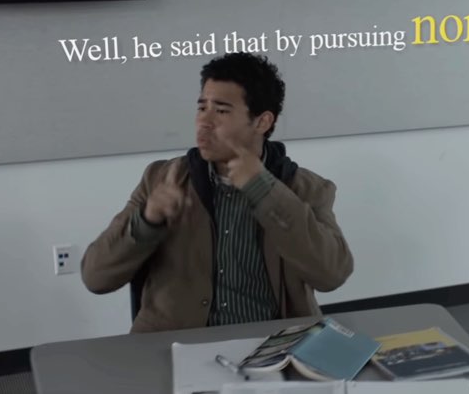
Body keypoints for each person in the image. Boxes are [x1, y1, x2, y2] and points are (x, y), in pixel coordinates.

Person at [81, 52, 354, 333]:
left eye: (221, 111)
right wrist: (148, 219)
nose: (204, 122)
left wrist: (265, 191)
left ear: (262, 122)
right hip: (176, 344)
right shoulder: (162, 179)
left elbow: (331, 274)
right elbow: (96, 277)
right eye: (202, 108)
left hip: (270, 349)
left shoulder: (307, 188)